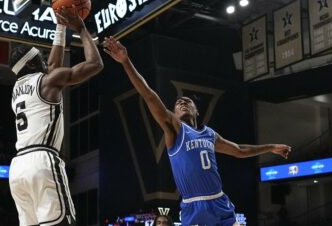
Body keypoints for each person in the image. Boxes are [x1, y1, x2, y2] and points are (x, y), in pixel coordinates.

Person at [103, 37, 291, 226]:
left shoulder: (209, 134)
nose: (182, 103)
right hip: (193, 207)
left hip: (219, 202)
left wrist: (271, 147)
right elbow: (148, 94)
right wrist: (126, 62)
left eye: (187, 102)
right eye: (178, 103)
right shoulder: (174, 129)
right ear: (174, 113)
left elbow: (239, 150)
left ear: (196, 111)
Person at [8, 6, 103, 226]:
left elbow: (52, 66)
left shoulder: (16, 90)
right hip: (42, 160)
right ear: (32, 64)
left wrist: (60, 27)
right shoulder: (48, 81)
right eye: (39, 57)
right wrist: (80, 28)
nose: (46, 60)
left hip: (18, 169)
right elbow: (95, 64)